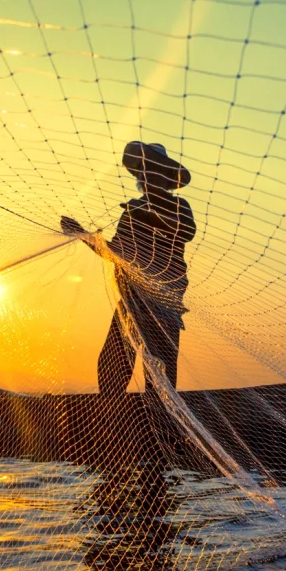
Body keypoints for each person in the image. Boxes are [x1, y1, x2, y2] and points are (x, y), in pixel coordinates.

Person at [60, 141, 195, 396]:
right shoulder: (132, 211)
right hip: (131, 302)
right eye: (143, 172)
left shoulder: (179, 207)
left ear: (166, 178)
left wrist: (145, 213)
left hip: (163, 309)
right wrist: (82, 233)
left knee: (160, 376)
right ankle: (110, 417)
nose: (146, 176)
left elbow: (186, 231)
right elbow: (115, 253)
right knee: (111, 368)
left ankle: (164, 429)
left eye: (153, 171)